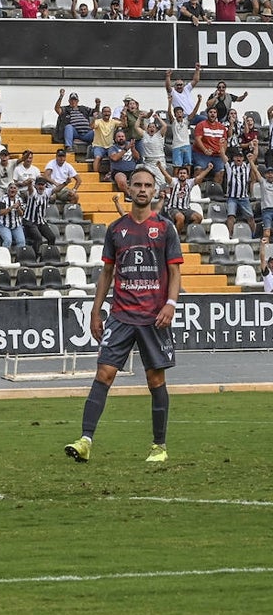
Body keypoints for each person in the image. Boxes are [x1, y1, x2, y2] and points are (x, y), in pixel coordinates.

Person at [65, 166, 182, 465]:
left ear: (155, 191)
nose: (142, 189)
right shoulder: (116, 229)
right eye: (137, 185)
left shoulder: (166, 228)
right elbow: (107, 272)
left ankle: (159, 446)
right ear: (128, 190)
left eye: (148, 185)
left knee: (155, 380)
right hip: (121, 314)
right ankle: (85, 441)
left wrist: (170, 303)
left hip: (154, 317)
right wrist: (95, 310)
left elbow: (174, 271)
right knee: (104, 373)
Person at [223, 148, 260, 238]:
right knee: (231, 216)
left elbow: (254, 156)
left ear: (243, 158)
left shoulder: (246, 166)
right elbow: (222, 155)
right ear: (234, 158)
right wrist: (221, 146)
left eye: (240, 157)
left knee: (251, 217)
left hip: (244, 197)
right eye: (236, 157)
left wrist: (256, 146)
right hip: (232, 197)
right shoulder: (229, 166)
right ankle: (229, 235)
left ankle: (255, 235)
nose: (238, 158)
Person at [0, 182, 27, 248]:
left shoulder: (19, 200)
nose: (12, 190)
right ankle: (4, 256)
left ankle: (19, 257)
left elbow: (22, 214)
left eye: (14, 188)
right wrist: (11, 207)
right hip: (3, 224)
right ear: (8, 190)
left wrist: (18, 208)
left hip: (16, 225)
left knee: (21, 241)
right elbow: (1, 212)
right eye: (11, 188)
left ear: (16, 190)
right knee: (8, 241)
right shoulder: (3, 199)